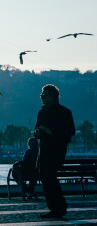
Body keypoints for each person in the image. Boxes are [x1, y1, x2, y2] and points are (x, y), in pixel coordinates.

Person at [34, 84, 75, 218]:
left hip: (56, 151)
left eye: (44, 95)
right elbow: (36, 131)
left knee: (49, 178)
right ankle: (55, 207)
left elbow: (70, 132)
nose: (42, 98)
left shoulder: (64, 112)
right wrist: (38, 132)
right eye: (41, 95)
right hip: (43, 151)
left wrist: (50, 132)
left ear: (52, 96)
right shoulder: (42, 112)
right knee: (45, 179)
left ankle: (59, 207)